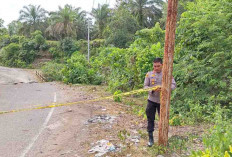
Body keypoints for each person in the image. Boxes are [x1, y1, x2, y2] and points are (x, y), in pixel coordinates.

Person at [144, 58, 176, 147]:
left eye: (158, 66)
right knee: (150, 119)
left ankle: (164, 140)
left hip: (163, 102)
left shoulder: (167, 74)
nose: (156, 68)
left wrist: (165, 88)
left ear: (162, 65)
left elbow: (173, 85)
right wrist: (153, 89)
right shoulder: (149, 74)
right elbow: (145, 86)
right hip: (151, 100)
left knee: (163, 120)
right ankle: (150, 139)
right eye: (154, 66)